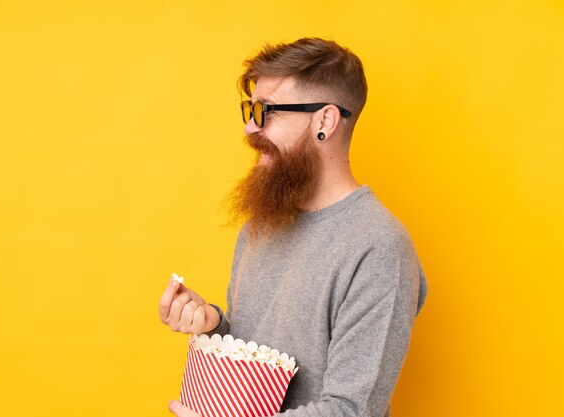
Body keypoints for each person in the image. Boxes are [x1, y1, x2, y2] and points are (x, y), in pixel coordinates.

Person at [159, 37, 428, 417]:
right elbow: (257, 369)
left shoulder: (379, 246)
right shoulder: (261, 223)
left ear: (325, 121)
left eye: (266, 111)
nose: (251, 129)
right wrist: (213, 326)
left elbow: (352, 410)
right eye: (250, 110)